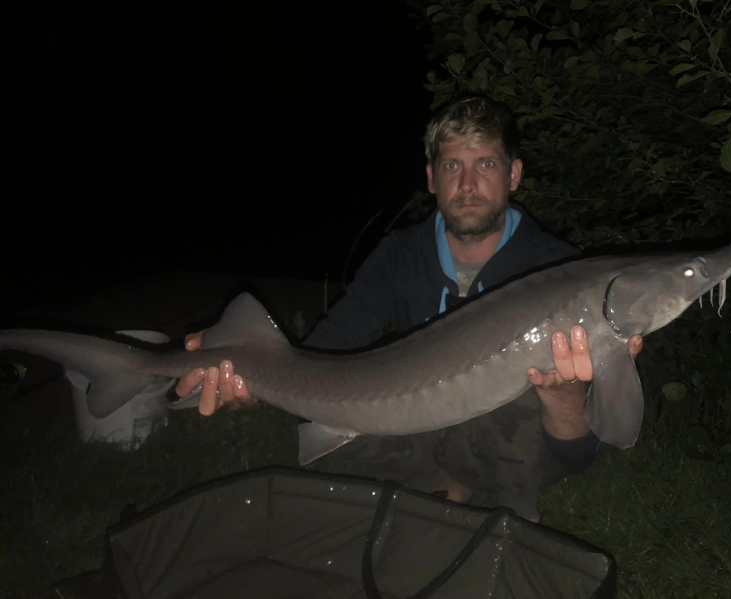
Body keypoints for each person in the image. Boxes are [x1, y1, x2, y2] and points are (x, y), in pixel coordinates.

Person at [173, 96, 643, 520]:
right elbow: (323, 351)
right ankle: (444, 488)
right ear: (432, 178)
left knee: (523, 396)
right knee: (341, 410)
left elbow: (577, 457)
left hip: (501, 445)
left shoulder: (558, 269)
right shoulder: (400, 255)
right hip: (415, 425)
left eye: (486, 164)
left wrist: (563, 397)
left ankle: (497, 507)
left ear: (514, 174)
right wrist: (249, 366)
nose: (468, 184)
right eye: (452, 166)